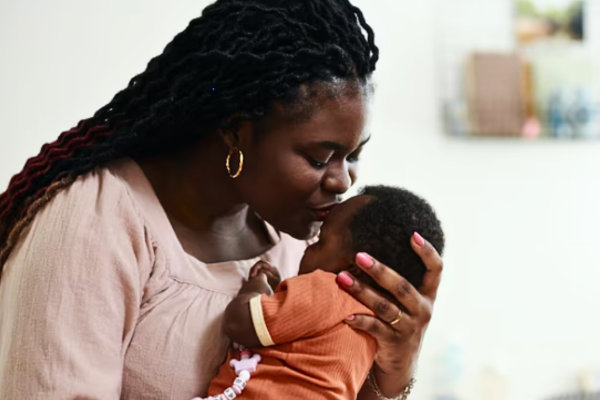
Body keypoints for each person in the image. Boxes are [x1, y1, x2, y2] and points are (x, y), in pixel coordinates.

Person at [0, 1, 445, 399]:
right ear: (235, 129)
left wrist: (394, 368)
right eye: (320, 156)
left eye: (355, 155)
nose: (342, 181)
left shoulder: (301, 243)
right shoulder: (97, 219)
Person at [205, 185, 445, 400]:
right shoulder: (374, 326)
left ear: (353, 268)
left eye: (321, 240)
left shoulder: (327, 287)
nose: (309, 249)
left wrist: (255, 287)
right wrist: (282, 291)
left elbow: (241, 323)